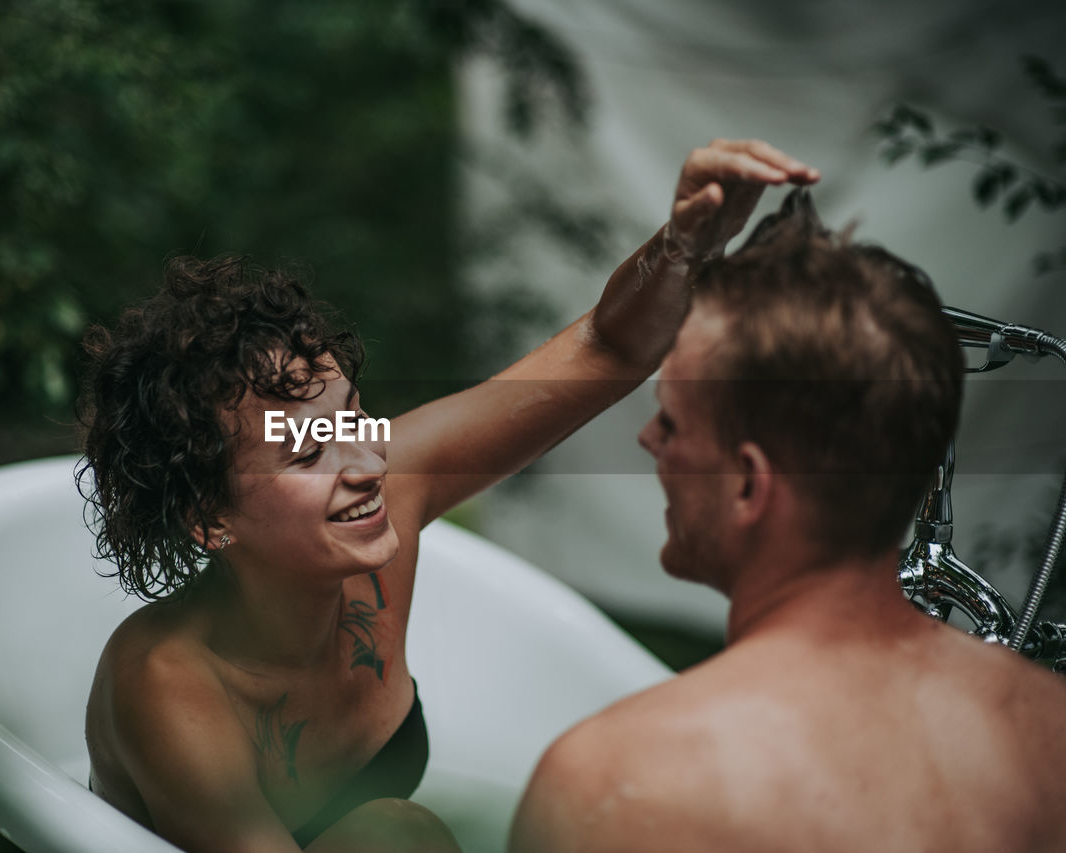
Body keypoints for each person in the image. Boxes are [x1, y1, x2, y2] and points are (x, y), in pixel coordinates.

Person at [76, 140, 819, 853]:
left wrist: (684, 244)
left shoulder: (384, 489)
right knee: (400, 833)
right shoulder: (168, 684)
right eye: (307, 452)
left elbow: (608, 350)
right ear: (207, 518)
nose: (364, 463)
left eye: (353, 417)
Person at [509, 189, 1066, 853]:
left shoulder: (621, 782)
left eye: (674, 420)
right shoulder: (1046, 727)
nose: (649, 439)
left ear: (749, 482)